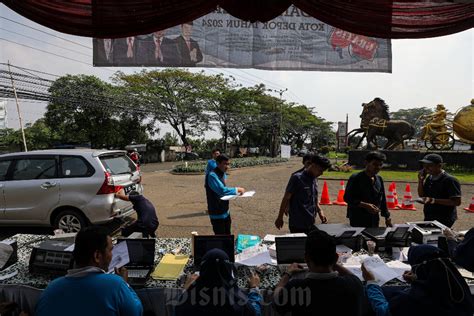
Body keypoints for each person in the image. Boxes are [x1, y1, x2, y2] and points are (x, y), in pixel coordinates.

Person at [35, 226, 143, 316]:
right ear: (97, 256)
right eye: (110, 250)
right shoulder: (116, 284)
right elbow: (137, 312)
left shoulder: (51, 288)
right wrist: (125, 284)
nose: (112, 255)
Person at [273, 229, 369, 316]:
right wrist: (333, 262)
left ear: (306, 258)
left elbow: (277, 300)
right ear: (335, 258)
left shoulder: (296, 288)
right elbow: (353, 277)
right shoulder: (354, 284)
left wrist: (287, 274)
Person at [362, 244, 473, 316]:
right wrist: (417, 279)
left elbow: (383, 311)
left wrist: (371, 282)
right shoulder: (459, 290)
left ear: (419, 268)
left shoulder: (411, 298)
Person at [175, 248, 262, 316]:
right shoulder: (239, 302)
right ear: (228, 270)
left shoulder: (189, 302)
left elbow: (179, 311)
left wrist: (186, 290)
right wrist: (254, 289)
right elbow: (254, 313)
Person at [275, 154, 330, 234]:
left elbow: (314, 198)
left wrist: (320, 212)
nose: (321, 173)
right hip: (298, 224)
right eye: (320, 170)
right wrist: (280, 217)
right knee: (299, 245)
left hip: (310, 222)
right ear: (313, 165)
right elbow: (286, 198)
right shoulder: (297, 178)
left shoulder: (314, 179)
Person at [344, 151, 392, 228]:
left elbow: (382, 199)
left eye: (380, 165)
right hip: (358, 218)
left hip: (374, 218)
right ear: (366, 163)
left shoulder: (379, 179)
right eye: (375, 164)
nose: (378, 167)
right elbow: (347, 198)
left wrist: (387, 216)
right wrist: (365, 205)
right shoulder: (356, 178)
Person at [417, 153, 461, 227]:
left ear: (440, 165)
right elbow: (422, 195)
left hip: (444, 218)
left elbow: (456, 202)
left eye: (430, 165)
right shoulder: (429, 178)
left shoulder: (450, 180)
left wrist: (433, 200)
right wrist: (421, 181)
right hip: (429, 216)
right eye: (424, 166)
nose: (426, 168)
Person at [205, 154, 245, 235]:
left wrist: (235, 194)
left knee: (228, 235)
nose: (227, 166)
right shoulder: (212, 175)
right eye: (225, 164)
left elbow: (224, 191)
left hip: (225, 211)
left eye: (228, 164)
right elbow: (222, 190)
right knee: (220, 238)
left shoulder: (223, 173)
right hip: (216, 213)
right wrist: (237, 189)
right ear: (217, 163)